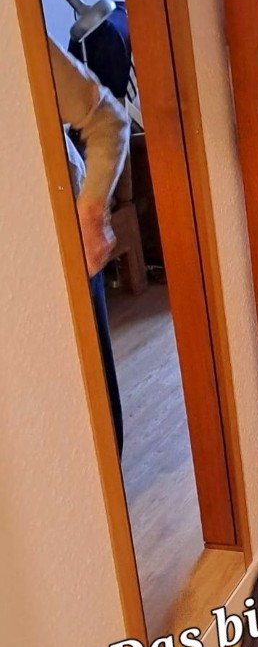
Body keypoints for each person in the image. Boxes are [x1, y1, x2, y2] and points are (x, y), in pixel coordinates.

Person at [48, 37, 131, 457]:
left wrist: (91, 214)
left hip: (65, 248)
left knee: (97, 425)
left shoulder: (15, 38)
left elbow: (108, 122)